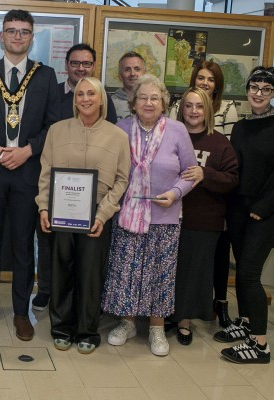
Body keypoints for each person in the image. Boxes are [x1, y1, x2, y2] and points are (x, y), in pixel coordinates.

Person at [0, 9, 60, 341]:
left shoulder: (45, 76)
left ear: (32, 37)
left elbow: (54, 126)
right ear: (1, 36)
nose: (18, 36)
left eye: (24, 32)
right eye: (11, 31)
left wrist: (28, 150)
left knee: (22, 245)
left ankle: (22, 312)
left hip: (28, 173)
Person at [101, 74, 196, 357]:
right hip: (128, 216)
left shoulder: (178, 131)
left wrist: (176, 193)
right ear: (133, 101)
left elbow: (191, 173)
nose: (149, 102)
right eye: (143, 97)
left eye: (155, 97)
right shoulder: (121, 129)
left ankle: (156, 327)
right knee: (126, 272)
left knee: (160, 275)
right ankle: (127, 323)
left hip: (165, 217)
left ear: (164, 102)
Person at [215, 66, 274, 364]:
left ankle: (260, 345)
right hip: (240, 211)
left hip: (265, 212)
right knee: (241, 269)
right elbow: (236, 171)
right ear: (247, 90)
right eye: (254, 87)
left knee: (250, 273)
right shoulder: (241, 127)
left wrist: (263, 208)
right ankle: (246, 322)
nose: (259, 93)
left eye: (266, 89)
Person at [37, 77, 130, 354]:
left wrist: (103, 215)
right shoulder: (56, 131)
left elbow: (122, 180)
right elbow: (45, 172)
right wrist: (43, 206)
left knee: (90, 275)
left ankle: (87, 330)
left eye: (91, 94)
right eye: (80, 94)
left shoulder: (118, 136)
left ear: (101, 99)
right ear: (74, 99)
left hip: (96, 218)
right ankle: (61, 328)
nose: (86, 98)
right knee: (61, 271)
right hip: (61, 216)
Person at [31, 44, 118, 312]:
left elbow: (110, 139)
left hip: (91, 195)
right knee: (49, 245)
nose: (81, 68)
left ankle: (82, 298)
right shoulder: (51, 94)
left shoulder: (104, 100)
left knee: (85, 252)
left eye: (87, 63)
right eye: (75, 63)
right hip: (57, 188)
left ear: (93, 66)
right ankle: (46, 289)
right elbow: (42, 132)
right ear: (66, 65)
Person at [168, 60, 242, 328]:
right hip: (169, 217)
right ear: (180, 109)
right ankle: (165, 316)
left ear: (209, 108)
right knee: (170, 272)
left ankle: (185, 320)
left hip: (204, 220)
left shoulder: (220, 143)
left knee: (195, 274)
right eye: (188, 106)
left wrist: (205, 174)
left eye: (199, 106)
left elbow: (232, 179)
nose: (193, 110)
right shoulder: (169, 137)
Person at [111, 51, 146, 121]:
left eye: (137, 69)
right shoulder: (109, 103)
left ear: (144, 73)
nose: (132, 73)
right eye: (127, 69)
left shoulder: (152, 103)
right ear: (120, 75)